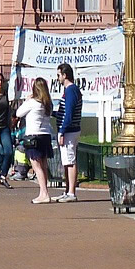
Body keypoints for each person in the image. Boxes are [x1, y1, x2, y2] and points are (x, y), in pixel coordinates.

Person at [15, 77, 56, 203]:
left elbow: (18, 113)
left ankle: (43, 193)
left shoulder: (33, 102)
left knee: (36, 165)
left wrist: (26, 100)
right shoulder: (48, 103)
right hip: (45, 135)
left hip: (34, 136)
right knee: (43, 164)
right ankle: (44, 192)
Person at [54, 62, 83, 202]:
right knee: (66, 161)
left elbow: (69, 113)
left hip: (69, 131)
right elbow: (64, 112)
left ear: (65, 75)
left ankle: (71, 192)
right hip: (69, 130)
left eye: (59, 75)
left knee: (70, 161)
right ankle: (67, 190)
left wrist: (62, 131)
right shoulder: (69, 91)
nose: (57, 78)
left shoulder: (71, 90)